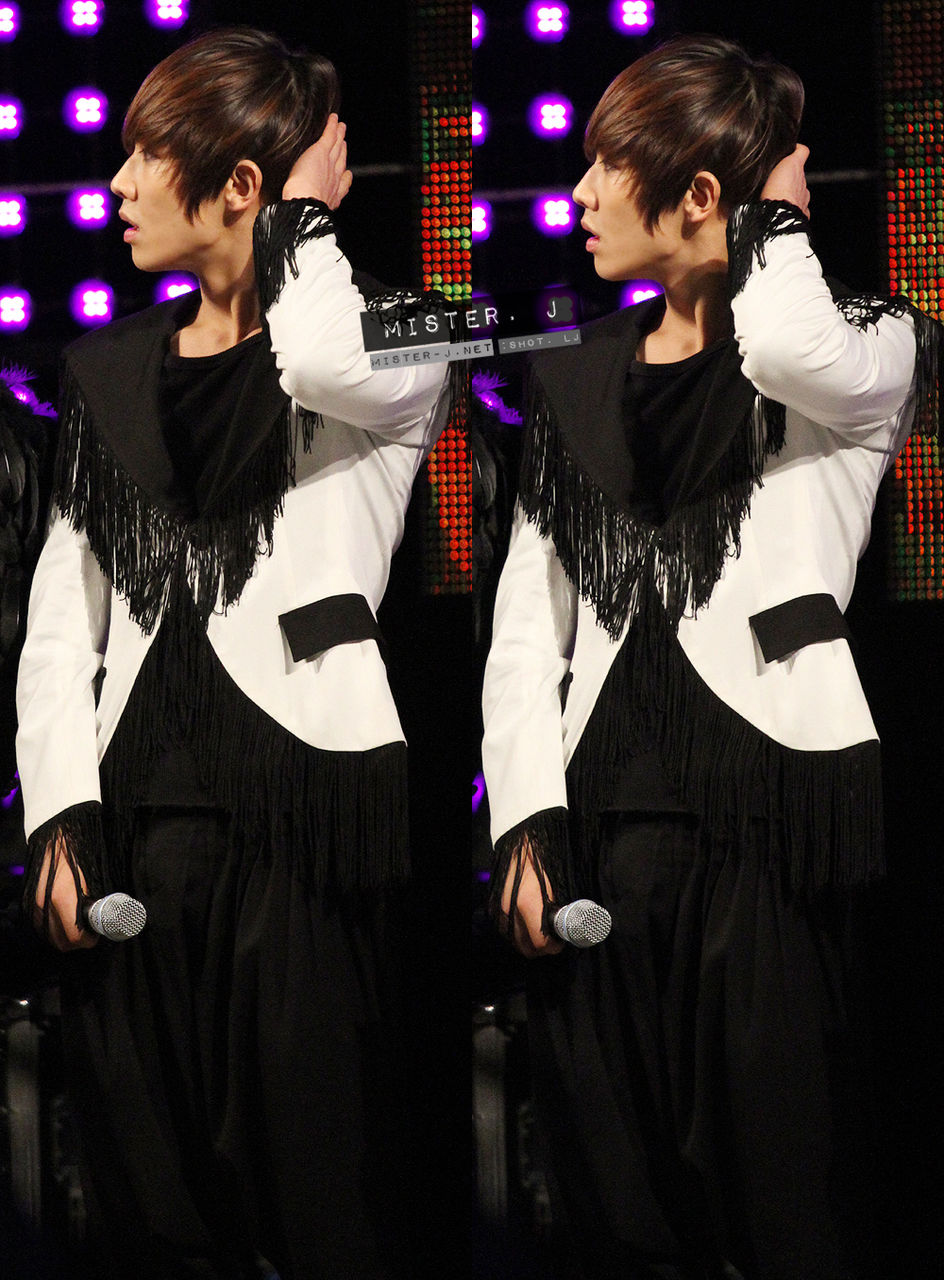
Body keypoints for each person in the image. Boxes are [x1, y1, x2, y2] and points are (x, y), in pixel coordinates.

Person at [482, 34, 941, 1280]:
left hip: (769, 823)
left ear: (696, 195)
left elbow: (784, 352)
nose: (578, 194)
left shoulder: (867, 344)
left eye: (607, 166)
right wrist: (524, 822)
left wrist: (773, 221)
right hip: (601, 833)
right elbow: (525, 630)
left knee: (786, 1207)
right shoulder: (575, 377)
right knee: (620, 1214)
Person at [15, 27, 450, 1280]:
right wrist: (61, 812)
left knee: (313, 1200)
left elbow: (314, 357)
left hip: (302, 812)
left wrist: (303, 222)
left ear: (241, 184)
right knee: (151, 1208)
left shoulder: (408, 333)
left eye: (148, 155)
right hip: (134, 822)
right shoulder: (105, 368)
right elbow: (64, 617)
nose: (118, 183)